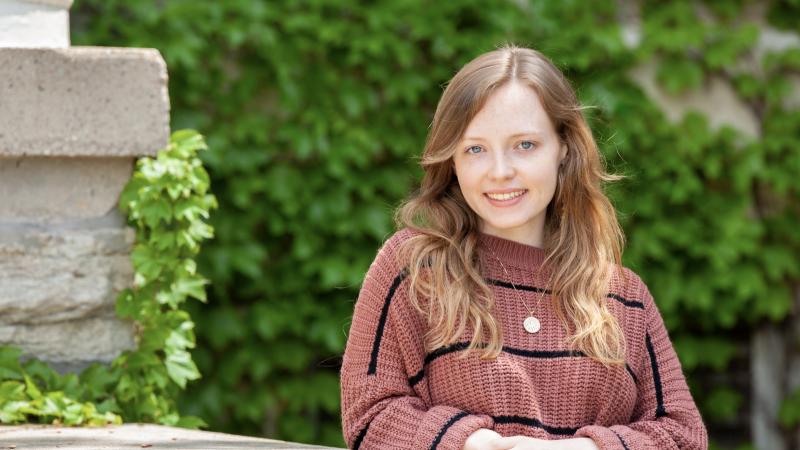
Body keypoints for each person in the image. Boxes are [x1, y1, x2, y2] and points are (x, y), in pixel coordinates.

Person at [339, 44, 708, 450]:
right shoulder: (414, 268)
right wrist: (471, 443)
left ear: (564, 148)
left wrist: (584, 449)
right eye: (475, 148)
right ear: (453, 160)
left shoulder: (624, 297)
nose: (500, 172)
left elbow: (684, 436)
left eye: (525, 145)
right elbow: (369, 416)